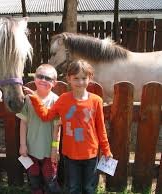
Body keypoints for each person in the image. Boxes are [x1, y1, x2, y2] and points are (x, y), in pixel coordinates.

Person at [25, 60, 113, 194]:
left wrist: (106, 150)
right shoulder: (64, 99)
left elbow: (101, 128)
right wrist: (36, 99)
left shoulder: (96, 101)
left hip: (91, 155)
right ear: (69, 79)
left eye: (84, 78)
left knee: (89, 188)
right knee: (73, 188)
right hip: (70, 156)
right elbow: (46, 116)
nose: (80, 82)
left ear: (90, 78)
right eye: (76, 78)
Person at [17, 64, 62, 194]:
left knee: (50, 179)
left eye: (48, 78)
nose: (43, 80)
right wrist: (23, 145)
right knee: (34, 178)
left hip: (49, 151)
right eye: (40, 76)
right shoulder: (28, 99)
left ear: (54, 83)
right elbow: (23, 123)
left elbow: (57, 127)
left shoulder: (56, 101)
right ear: (34, 78)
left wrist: (55, 148)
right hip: (31, 149)